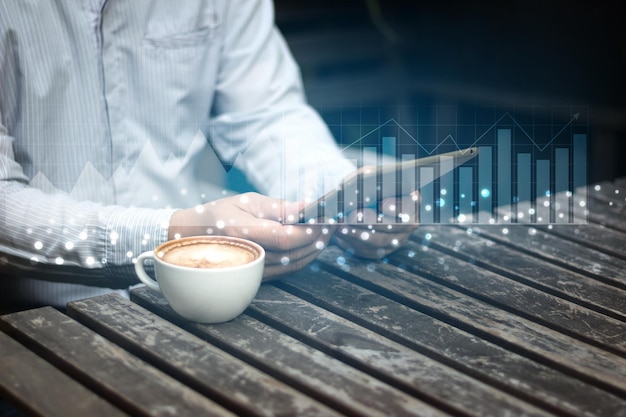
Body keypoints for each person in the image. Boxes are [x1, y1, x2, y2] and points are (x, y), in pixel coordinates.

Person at [0, 0, 418, 312]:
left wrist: (339, 192)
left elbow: (265, 114)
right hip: (28, 325)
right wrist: (173, 236)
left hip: (203, 308)